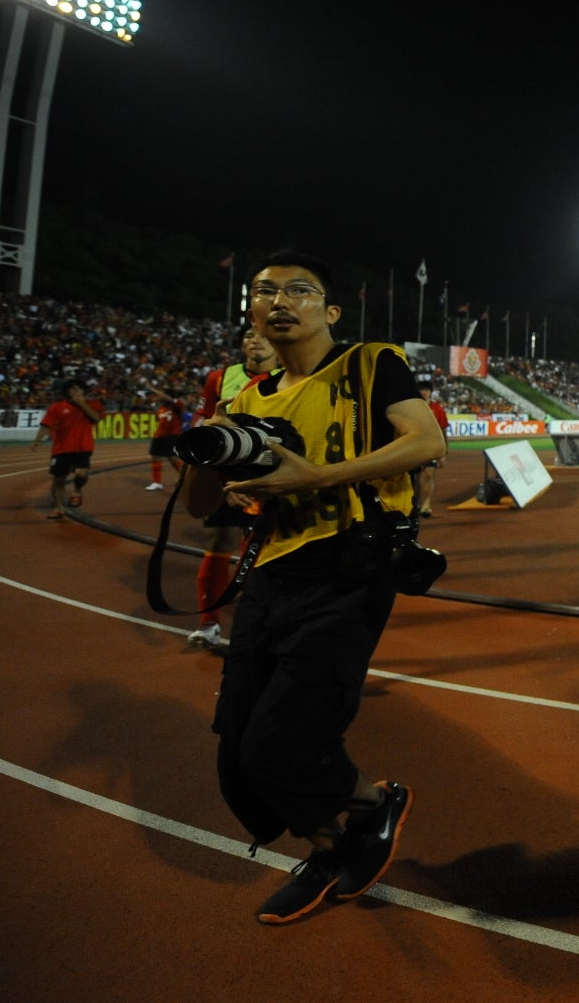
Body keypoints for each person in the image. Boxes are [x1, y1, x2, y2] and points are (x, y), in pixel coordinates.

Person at [183, 251, 445, 925]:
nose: (279, 300)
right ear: (250, 311)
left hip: (347, 569)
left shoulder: (369, 365)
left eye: (298, 290)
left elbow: (426, 442)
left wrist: (318, 477)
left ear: (330, 310)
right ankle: (331, 848)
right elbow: (198, 506)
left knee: (281, 738)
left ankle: (374, 803)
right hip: (271, 573)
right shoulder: (245, 400)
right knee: (238, 748)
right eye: (263, 291)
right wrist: (208, 447)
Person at [186, 330, 281, 650]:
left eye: (264, 336)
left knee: (264, 553)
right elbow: (206, 424)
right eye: (250, 335)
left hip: (270, 478)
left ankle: (257, 626)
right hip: (227, 476)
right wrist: (221, 481)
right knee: (220, 541)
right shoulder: (219, 378)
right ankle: (208, 623)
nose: (256, 340)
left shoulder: (291, 378)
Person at [33, 376, 103, 519]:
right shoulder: (57, 407)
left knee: (81, 474)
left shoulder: (94, 404)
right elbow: (46, 424)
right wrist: (37, 440)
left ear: (84, 391)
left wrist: (82, 404)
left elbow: (96, 418)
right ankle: (58, 508)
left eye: (78, 388)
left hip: (83, 447)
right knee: (59, 479)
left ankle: (77, 490)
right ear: (66, 392)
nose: (75, 391)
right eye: (72, 389)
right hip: (61, 449)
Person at [410, 377, 450, 517]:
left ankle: (426, 505)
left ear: (431, 392)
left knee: (429, 474)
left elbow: (443, 430)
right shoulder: (411, 409)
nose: (424, 392)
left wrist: (444, 452)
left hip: (430, 447)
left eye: (426, 390)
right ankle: (415, 503)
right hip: (414, 447)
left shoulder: (437, 409)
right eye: (421, 389)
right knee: (415, 478)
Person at [146, 389, 188, 491]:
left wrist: (151, 388)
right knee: (155, 457)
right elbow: (159, 420)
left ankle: (187, 478)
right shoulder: (161, 408)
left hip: (171, 436)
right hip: (159, 436)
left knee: (173, 459)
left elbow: (170, 400)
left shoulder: (177, 406)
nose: (161, 397)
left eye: (163, 395)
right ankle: (157, 482)